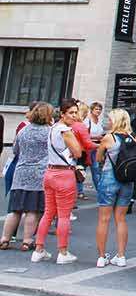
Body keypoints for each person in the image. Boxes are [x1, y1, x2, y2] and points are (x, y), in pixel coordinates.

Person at [32, 97, 83, 264]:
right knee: (64, 215)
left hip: (50, 172)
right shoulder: (66, 131)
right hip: (64, 174)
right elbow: (78, 152)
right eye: (71, 113)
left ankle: (38, 249)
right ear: (62, 114)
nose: (74, 116)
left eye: (76, 112)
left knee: (48, 213)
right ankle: (63, 252)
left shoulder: (53, 128)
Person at [0, 103, 53, 251]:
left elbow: (15, 150)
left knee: (15, 210)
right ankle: (27, 240)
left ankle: (4, 239)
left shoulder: (23, 130)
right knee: (32, 210)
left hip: (21, 173)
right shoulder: (49, 132)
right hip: (39, 174)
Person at [95, 109, 136, 267]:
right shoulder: (135, 138)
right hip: (127, 180)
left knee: (104, 219)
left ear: (115, 121)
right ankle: (121, 256)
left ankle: (101, 257)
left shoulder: (109, 138)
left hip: (109, 178)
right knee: (121, 219)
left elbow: (98, 158)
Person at [71, 102, 95, 208]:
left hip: (69, 154)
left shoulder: (68, 125)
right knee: (78, 176)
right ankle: (72, 200)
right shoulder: (80, 126)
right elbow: (88, 143)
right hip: (80, 153)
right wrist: (101, 145)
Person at [85, 102, 106, 193]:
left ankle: (99, 190)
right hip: (89, 146)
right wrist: (96, 137)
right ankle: (80, 191)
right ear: (92, 110)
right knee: (83, 168)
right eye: (96, 109)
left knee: (96, 168)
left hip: (98, 146)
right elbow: (84, 135)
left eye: (100, 109)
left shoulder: (99, 121)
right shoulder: (87, 121)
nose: (98, 111)